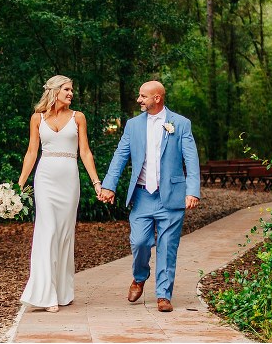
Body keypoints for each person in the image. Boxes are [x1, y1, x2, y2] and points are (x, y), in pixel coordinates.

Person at [99, 80, 200, 313]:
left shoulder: (181, 124)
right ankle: (139, 276)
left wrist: (192, 190)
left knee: (167, 246)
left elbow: (191, 159)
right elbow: (120, 156)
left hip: (172, 196)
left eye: (143, 96)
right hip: (143, 195)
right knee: (139, 241)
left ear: (157, 98)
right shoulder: (133, 125)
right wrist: (109, 185)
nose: (138, 100)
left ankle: (163, 295)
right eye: (138, 95)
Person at [18, 75, 102, 313]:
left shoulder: (79, 118)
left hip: (69, 179)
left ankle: (63, 291)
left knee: (65, 235)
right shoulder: (37, 118)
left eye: (72, 90)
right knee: (47, 232)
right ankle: (45, 295)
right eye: (66, 89)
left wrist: (96, 182)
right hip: (45, 179)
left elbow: (85, 152)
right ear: (54, 91)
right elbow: (31, 152)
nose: (71, 93)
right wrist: (20, 184)